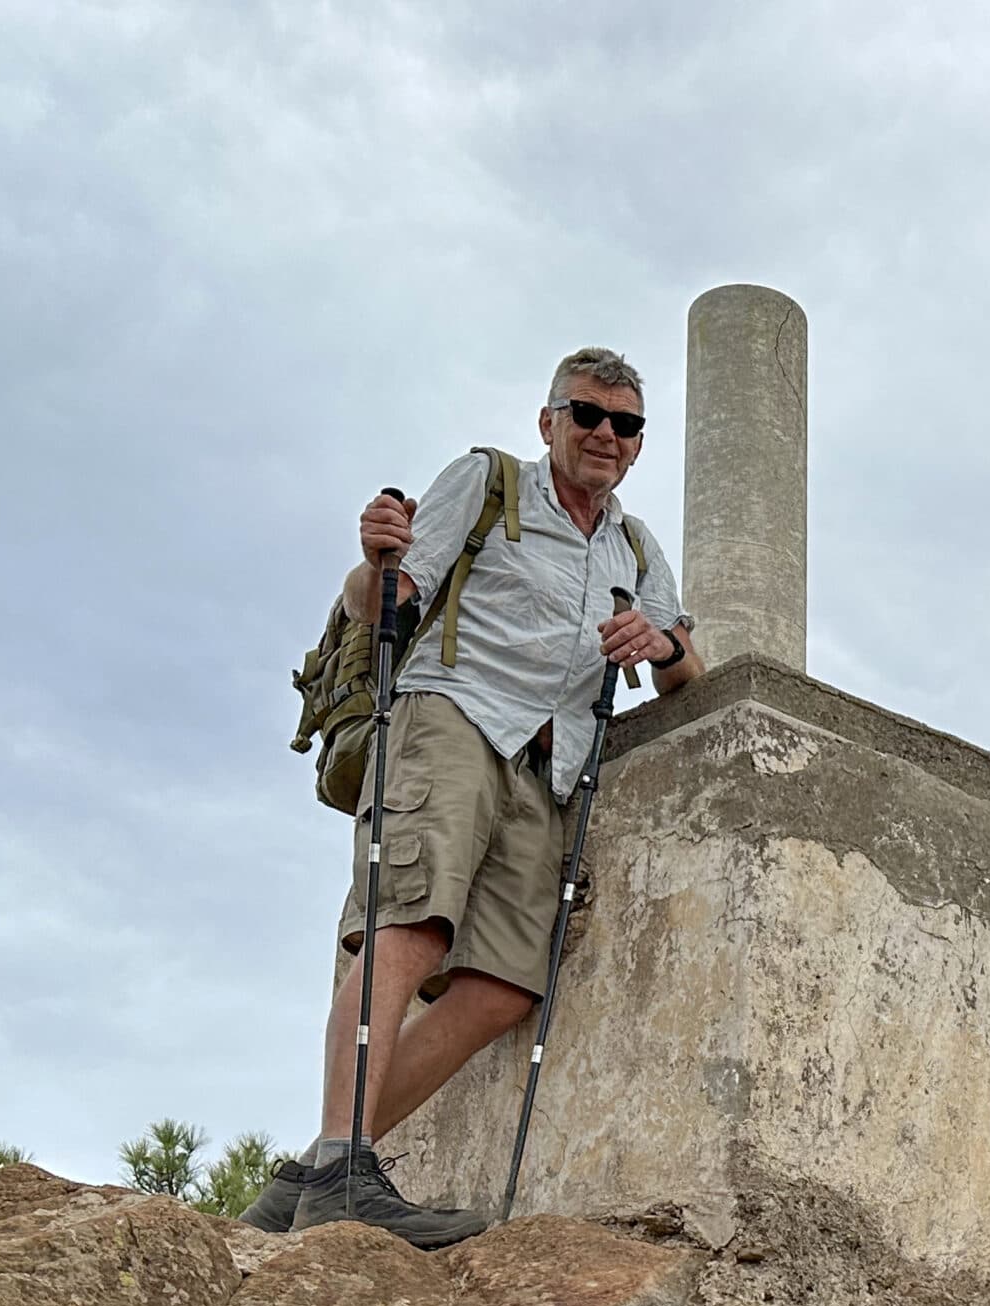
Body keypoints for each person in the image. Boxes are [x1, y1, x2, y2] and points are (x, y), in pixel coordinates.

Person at [243, 347, 705, 1245]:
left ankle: (319, 1170)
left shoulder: (636, 547)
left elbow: (690, 668)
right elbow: (386, 597)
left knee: (506, 985)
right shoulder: (488, 482)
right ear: (549, 422)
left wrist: (658, 641)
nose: (606, 435)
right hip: (451, 722)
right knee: (409, 925)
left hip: (550, 767)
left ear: (640, 443)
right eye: (587, 415)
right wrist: (373, 559)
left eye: (627, 424)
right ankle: (343, 1168)